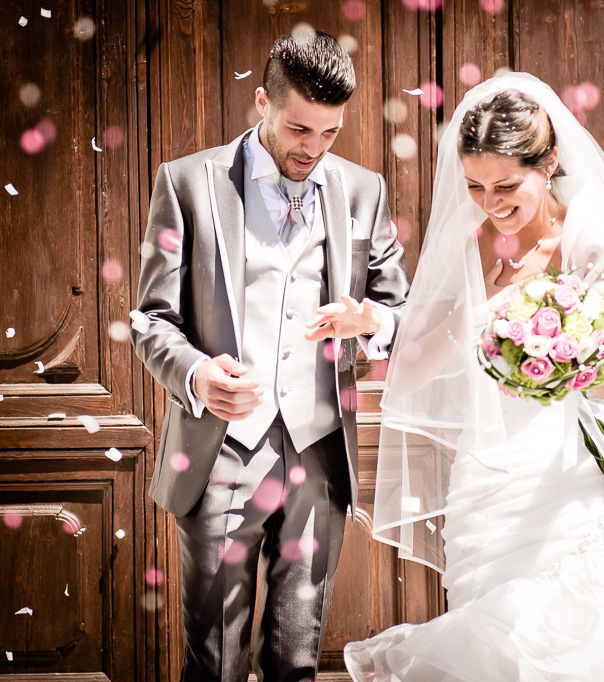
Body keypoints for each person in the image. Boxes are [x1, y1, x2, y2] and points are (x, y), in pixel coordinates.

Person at [343, 73, 604, 681]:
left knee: (560, 648)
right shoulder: (476, 243)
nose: (491, 202)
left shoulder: (591, 239)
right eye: (475, 186)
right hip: (483, 492)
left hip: (569, 488)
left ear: (549, 162)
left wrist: (568, 366)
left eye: (507, 186)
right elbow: (417, 367)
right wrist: (394, 320)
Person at [130, 31, 410, 681]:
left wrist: (368, 319)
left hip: (318, 447)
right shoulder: (187, 184)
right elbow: (151, 318)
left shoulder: (363, 192)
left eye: (330, 133)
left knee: (297, 654)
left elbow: (403, 310)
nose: (312, 148)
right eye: (298, 128)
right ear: (262, 102)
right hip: (222, 448)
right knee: (214, 659)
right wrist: (197, 373)